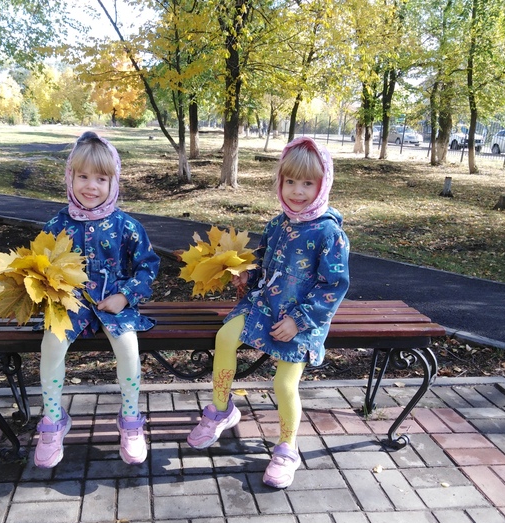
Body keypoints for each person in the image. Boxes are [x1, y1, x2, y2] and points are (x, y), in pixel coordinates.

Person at [187, 136, 350, 489]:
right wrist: (248, 275)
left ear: (323, 185)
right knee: (225, 337)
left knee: (283, 383)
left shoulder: (329, 233)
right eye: (290, 181)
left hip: (301, 319)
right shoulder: (278, 225)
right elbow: (264, 264)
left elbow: (333, 286)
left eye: (308, 183)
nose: (297, 191)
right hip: (263, 306)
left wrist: (299, 321)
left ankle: (287, 446)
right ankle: (221, 409)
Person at [36, 131, 160, 468]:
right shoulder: (56, 225)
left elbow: (148, 265)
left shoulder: (126, 226)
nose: (91, 186)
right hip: (70, 305)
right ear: (70, 177)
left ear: (113, 182)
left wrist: (125, 296)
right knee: (52, 343)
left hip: (114, 305)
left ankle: (130, 419)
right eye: (83, 177)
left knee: (128, 346)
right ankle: (52, 419)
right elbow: (39, 266)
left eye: (101, 179)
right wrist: (50, 291)